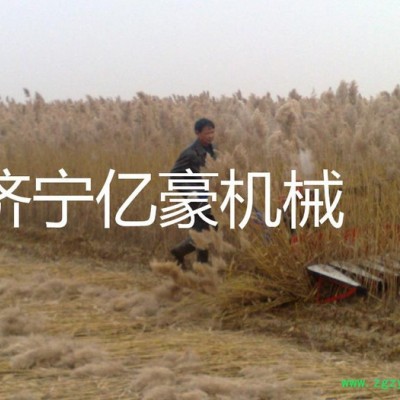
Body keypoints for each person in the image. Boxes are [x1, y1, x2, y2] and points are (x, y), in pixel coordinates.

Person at [169, 118, 217, 270]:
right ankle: (202, 268)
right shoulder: (189, 153)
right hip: (196, 198)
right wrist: (192, 193)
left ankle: (180, 252)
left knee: (206, 230)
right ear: (197, 133)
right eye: (207, 133)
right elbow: (174, 176)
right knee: (203, 231)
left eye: (212, 132)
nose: (210, 136)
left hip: (209, 197)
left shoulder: (213, 150)